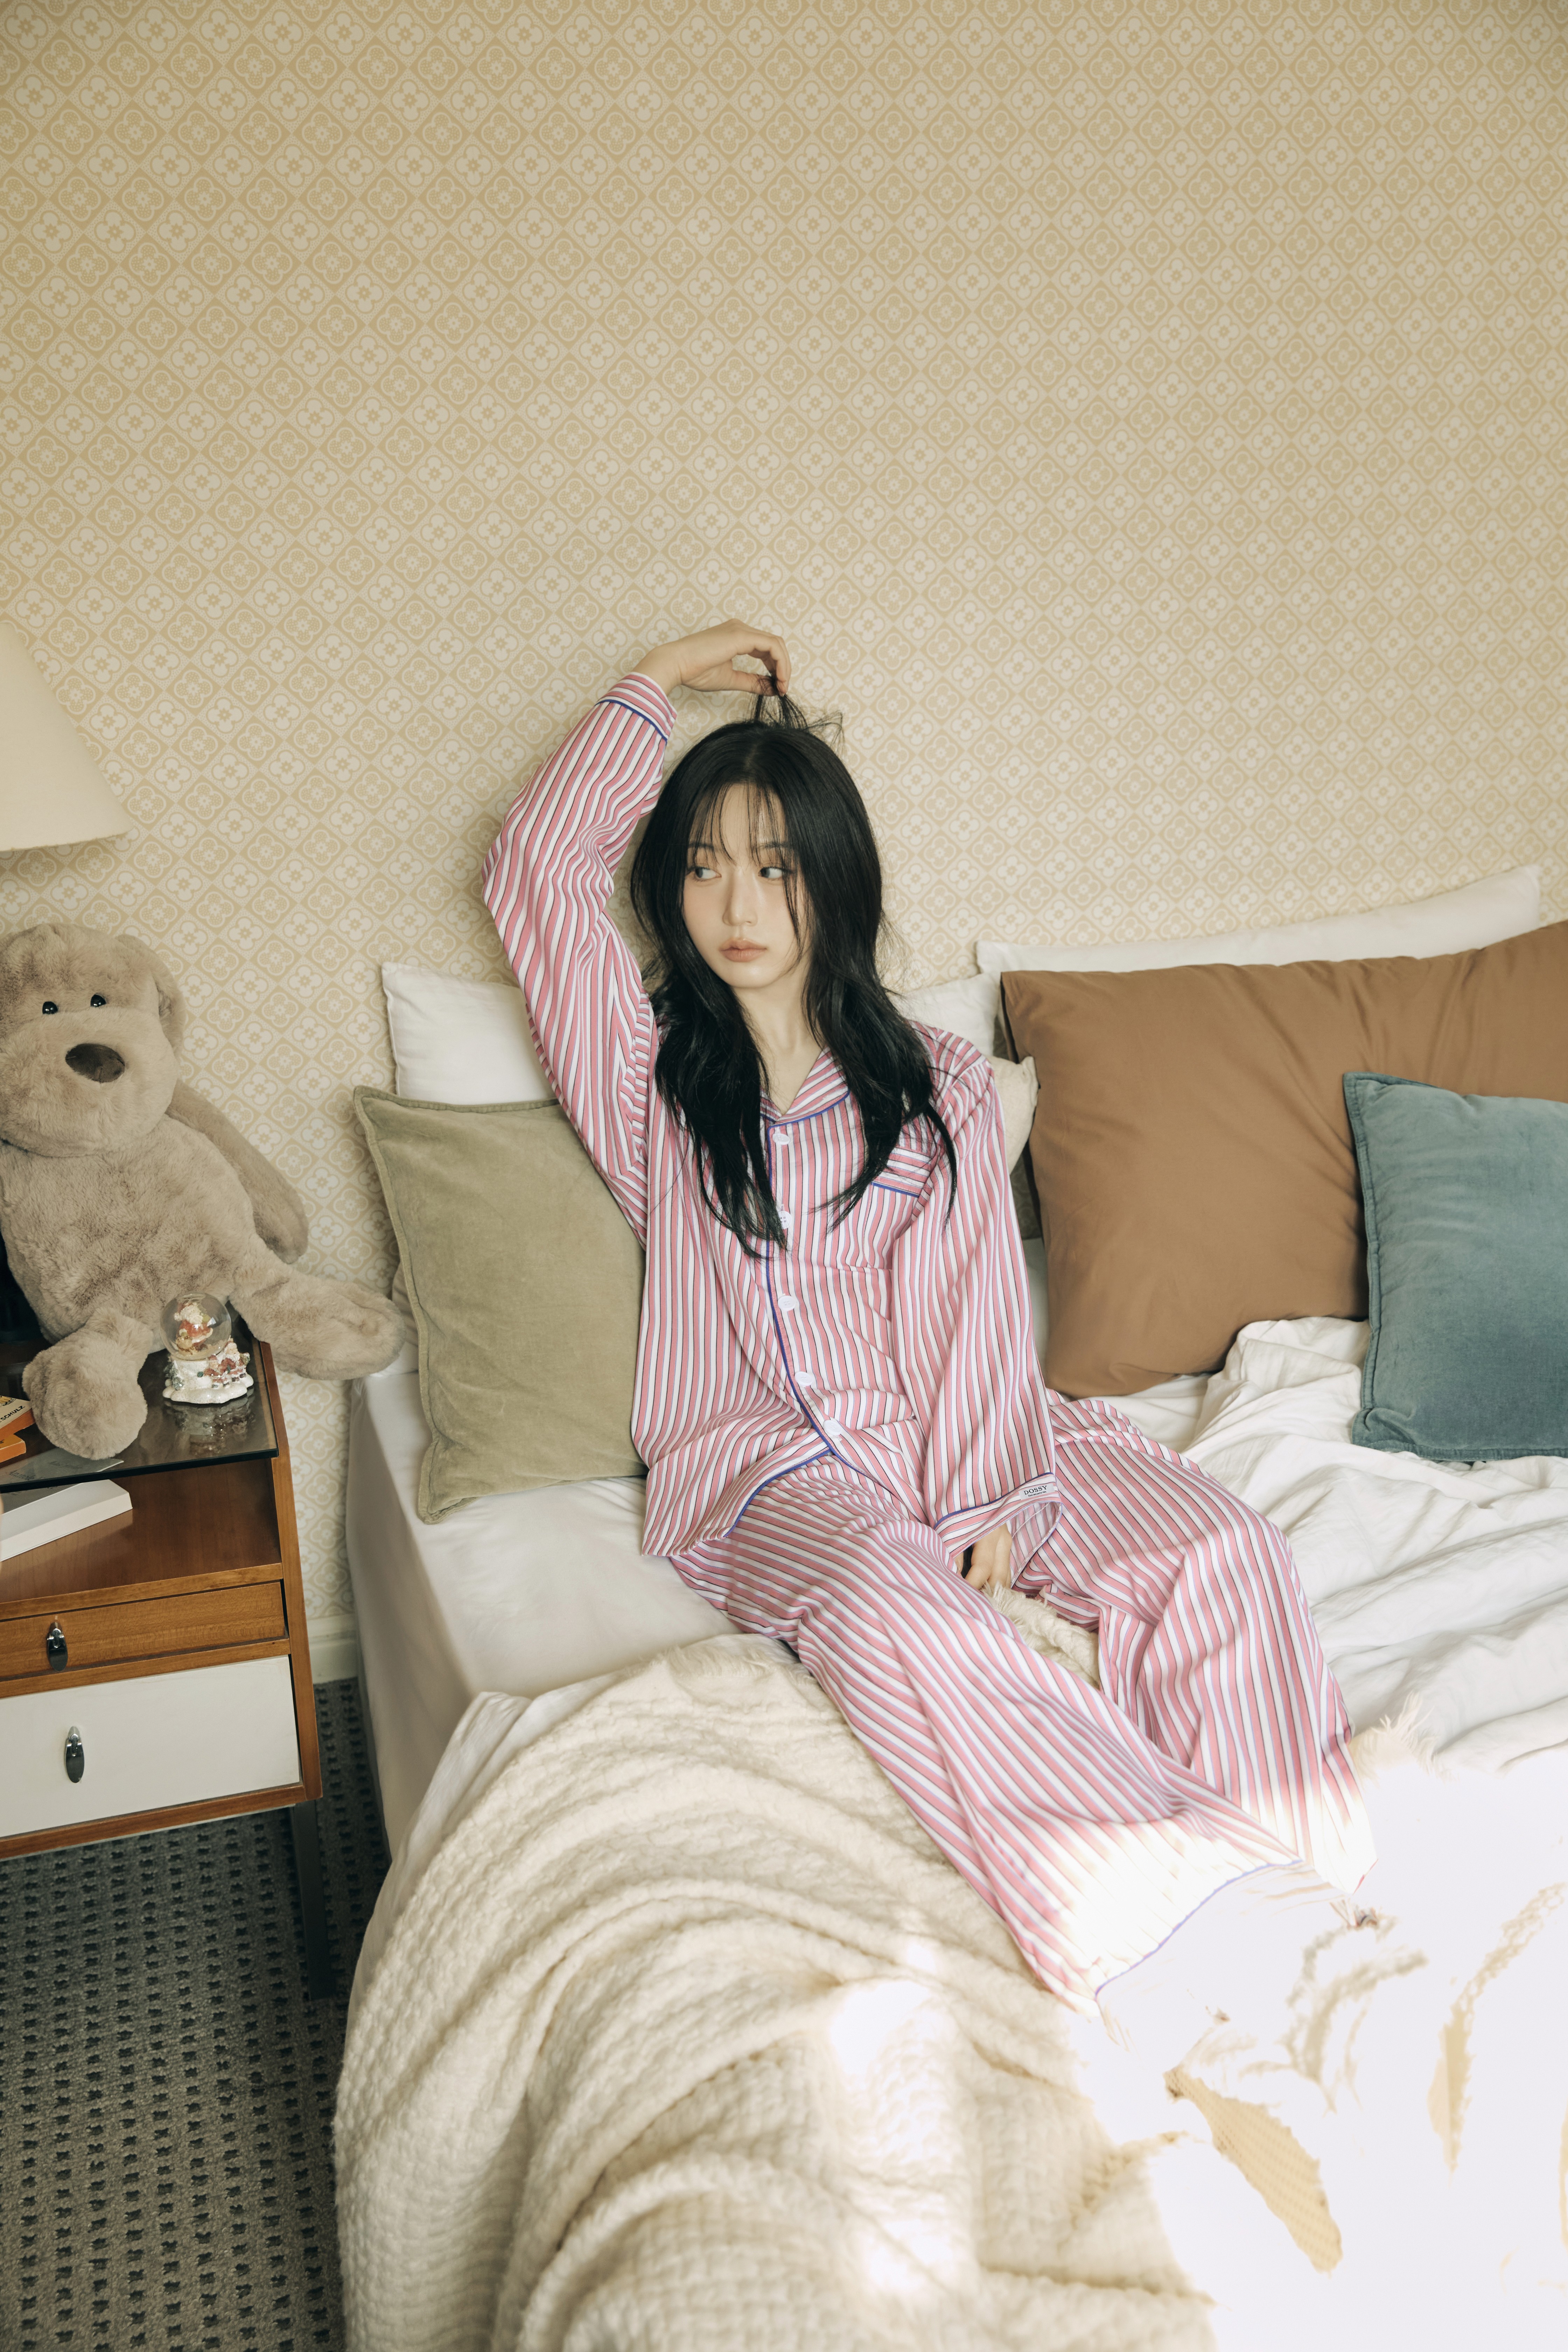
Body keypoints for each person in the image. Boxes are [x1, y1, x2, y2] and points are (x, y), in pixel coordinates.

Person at [482, 619, 1381, 2057]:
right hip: (767, 1469)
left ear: (835, 879)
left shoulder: (939, 1082)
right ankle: (1166, 1916)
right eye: (704, 866)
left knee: (1216, 1548)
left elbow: (973, 1309)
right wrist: (657, 684)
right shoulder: (648, 1080)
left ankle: (1309, 1891)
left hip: (977, 1428)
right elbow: (531, 870)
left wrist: (985, 1501)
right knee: (896, 1607)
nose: (737, 903)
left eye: (775, 866)